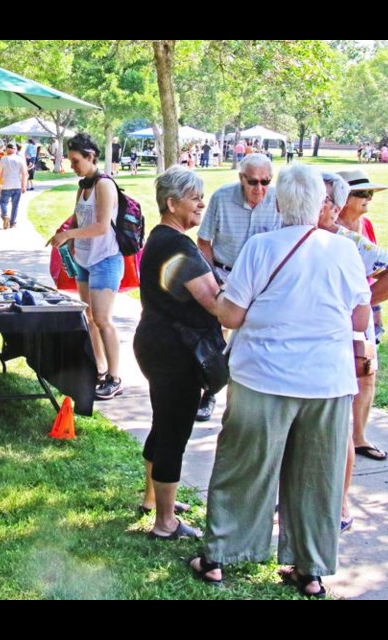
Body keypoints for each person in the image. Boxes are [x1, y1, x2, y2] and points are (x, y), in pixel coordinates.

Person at [188, 163, 371, 596]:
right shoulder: (344, 251)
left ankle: (219, 556)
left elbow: (230, 313)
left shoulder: (260, 247)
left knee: (243, 467)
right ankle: (310, 569)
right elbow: (360, 314)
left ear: (277, 201)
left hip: (263, 376)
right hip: (326, 381)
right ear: (321, 204)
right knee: (317, 476)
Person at [320, 172, 388, 533]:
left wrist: (358, 303)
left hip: (348, 337)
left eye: (325, 199)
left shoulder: (348, 241)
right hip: (319, 346)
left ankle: (340, 503)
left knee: (340, 423)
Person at [134, 165, 220, 539]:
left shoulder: (160, 239)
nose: (201, 203)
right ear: (171, 203)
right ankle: (166, 523)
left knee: (162, 421)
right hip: (175, 351)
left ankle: (153, 498)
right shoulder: (177, 245)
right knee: (174, 430)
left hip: (157, 343)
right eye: (194, 197)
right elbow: (213, 300)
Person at [194, 153, 281, 421]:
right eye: (253, 182)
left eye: (265, 181)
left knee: (254, 338)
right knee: (217, 338)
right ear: (241, 178)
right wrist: (213, 280)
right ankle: (209, 392)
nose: (259, 188)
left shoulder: (277, 200)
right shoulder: (222, 197)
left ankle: (251, 399)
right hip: (225, 273)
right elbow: (204, 242)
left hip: (260, 281)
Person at [47, 132, 123, 400]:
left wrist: (69, 236)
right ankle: (99, 369)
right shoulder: (83, 186)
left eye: (76, 160)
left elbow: (102, 226)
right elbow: (79, 220)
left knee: (103, 319)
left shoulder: (105, 185)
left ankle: (115, 377)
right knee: (89, 318)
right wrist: (67, 237)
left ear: (91, 156)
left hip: (106, 260)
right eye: (71, 161)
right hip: (84, 261)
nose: (73, 166)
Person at [336, 169, 388, 461]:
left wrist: (368, 301)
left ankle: (359, 437)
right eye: (361, 193)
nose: (368, 198)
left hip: (366, 303)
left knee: (367, 371)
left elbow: (379, 264)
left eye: (370, 193)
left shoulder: (365, 225)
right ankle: (338, 437)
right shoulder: (329, 227)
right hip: (337, 306)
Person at [0, 142, 27, 229]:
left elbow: (0, 173)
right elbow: (24, 173)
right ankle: (13, 223)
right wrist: (24, 185)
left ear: (7, 149)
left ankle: (5, 215)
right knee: (15, 205)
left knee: (3, 202)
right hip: (17, 185)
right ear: (15, 150)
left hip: (6, 185)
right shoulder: (20, 159)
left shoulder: (3, 159)